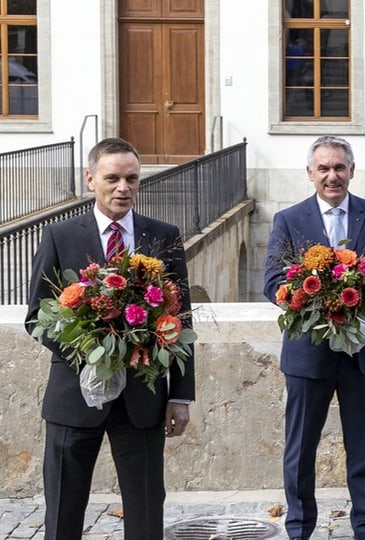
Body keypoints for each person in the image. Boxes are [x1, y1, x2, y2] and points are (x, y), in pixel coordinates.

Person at [24, 137, 194, 538]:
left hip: (143, 399)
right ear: (90, 180)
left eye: (132, 178)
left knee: (147, 510)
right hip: (74, 396)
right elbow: (37, 318)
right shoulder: (59, 236)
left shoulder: (164, 236)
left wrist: (180, 395)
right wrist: (93, 354)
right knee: (63, 511)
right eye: (113, 178)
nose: (123, 187)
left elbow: (181, 321)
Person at [263, 135, 365, 540]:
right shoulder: (289, 220)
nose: (332, 176)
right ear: (310, 173)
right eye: (323, 168)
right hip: (308, 356)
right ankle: (299, 528)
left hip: (362, 354)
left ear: (352, 171)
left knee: (363, 450)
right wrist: (311, 297)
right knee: (300, 451)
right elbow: (273, 281)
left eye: (339, 167)